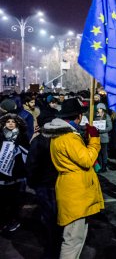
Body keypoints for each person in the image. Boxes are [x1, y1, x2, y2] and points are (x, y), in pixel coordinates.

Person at [43, 98, 104, 258]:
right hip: (75, 192)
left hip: (73, 189)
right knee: (72, 240)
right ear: (77, 116)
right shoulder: (68, 137)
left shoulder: (63, 134)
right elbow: (87, 160)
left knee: (75, 237)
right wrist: (95, 140)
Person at [25, 110, 62, 258]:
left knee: (49, 218)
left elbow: (31, 165)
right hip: (58, 184)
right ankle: (58, 245)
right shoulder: (62, 139)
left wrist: (32, 183)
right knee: (58, 217)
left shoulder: (38, 141)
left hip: (44, 186)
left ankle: (51, 248)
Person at [0, 113, 29, 234]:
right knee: (2, 201)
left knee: (14, 200)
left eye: (13, 122)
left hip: (16, 174)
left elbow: (27, 151)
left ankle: (13, 221)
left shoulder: (22, 136)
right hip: (2, 175)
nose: (10, 124)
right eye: (8, 122)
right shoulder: (0, 136)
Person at [95, 103, 113, 172]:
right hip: (97, 137)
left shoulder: (106, 116)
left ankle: (104, 166)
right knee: (98, 152)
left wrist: (102, 131)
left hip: (104, 138)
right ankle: (100, 165)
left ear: (102, 109)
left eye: (99, 108)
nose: (98, 109)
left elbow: (110, 127)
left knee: (104, 152)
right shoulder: (96, 116)